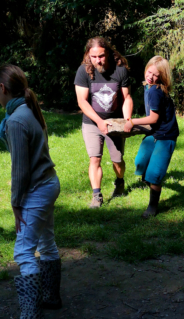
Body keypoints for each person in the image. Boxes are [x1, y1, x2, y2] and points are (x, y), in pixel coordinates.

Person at [0, 65, 62, 319]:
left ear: (3, 89)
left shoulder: (16, 120)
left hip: (36, 189)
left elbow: (19, 169)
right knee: (46, 241)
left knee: (23, 251)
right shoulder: (26, 111)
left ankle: (32, 318)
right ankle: (50, 296)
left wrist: (16, 203)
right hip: (48, 183)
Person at [74, 37, 133, 208]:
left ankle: (119, 182)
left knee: (117, 160)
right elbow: (82, 101)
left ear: (108, 52)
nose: (97, 60)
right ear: (88, 55)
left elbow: (127, 97)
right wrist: (99, 122)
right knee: (95, 159)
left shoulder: (120, 71)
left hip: (114, 122)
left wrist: (127, 120)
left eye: (101, 56)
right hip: (92, 123)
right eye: (94, 57)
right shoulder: (83, 71)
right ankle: (96, 195)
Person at [123, 56, 179, 218]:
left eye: (156, 75)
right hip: (153, 133)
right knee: (140, 161)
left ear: (162, 76)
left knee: (154, 173)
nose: (151, 77)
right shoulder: (149, 87)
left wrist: (131, 121)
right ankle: (149, 179)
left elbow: (153, 118)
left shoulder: (155, 91)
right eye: (149, 72)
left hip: (166, 136)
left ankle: (152, 206)